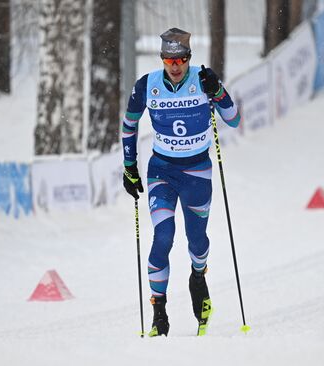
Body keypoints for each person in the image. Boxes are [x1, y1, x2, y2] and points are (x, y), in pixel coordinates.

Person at [121, 27, 241, 337]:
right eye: (170, 60)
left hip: (196, 173)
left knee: (197, 241)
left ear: (189, 59)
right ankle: (158, 311)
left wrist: (217, 91)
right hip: (161, 171)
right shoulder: (147, 85)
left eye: (182, 60)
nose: (176, 67)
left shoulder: (202, 81)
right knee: (163, 237)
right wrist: (129, 165)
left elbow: (234, 118)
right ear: (162, 59)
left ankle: (198, 277)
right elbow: (129, 124)